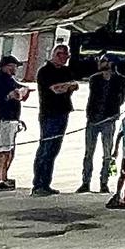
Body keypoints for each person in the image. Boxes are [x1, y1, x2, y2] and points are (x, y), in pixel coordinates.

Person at [31, 42, 81, 193]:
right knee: (46, 148)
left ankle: (46, 183)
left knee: (54, 149)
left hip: (63, 111)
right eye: (61, 55)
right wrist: (67, 86)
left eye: (66, 55)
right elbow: (56, 89)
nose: (64, 58)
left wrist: (66, 86)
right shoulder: (45, 71)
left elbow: (74, 85)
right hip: (49, 113)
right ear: (55, 55)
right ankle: (38, 184)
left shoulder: (66, 71)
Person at [80, 56, 125, 194]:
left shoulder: (120, 80)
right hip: (93, 119)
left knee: (107, 154)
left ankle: (104, 182)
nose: (100, 63)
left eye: (104, 61)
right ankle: (85, 182)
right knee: (89, 153)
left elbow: (121, 99)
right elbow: (92, 98)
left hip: (109, 119)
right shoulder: (94, 79)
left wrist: (113, 113)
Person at [0, 53, 28, 191]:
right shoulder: (0, 80)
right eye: (14, 66)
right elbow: (12, 95)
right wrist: (17, 93)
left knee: (7, 151)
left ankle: (1, 178)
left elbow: (21, 88)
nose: (15, 69)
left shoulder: (9, 79)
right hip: (2, 119)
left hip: (10, 119)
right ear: (7, 66)